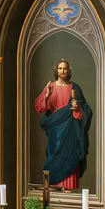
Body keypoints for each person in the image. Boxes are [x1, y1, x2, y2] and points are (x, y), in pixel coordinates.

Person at [33, 58, 93, 190]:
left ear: (69, 70)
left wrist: (77, 108)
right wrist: (47, 95)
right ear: (56, 70)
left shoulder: (75, 88)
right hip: (56, 134)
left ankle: (70, 194)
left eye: (65, 68)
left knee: (71, 161)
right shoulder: (51, 87)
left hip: (71, 133)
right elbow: (40, 107)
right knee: (53, 162)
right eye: (60, 68)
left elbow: (86, 109)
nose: (62, 71)